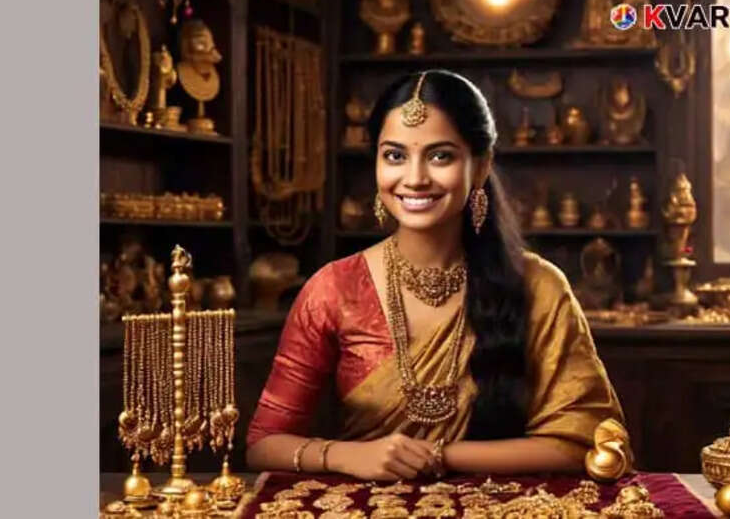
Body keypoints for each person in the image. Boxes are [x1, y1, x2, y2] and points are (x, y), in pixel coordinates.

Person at [246, 70, 625, 480]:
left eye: (440, 155)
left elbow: (586, 441)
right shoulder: (333, 290)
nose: (414, 178)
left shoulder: (538, 286)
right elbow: (265, 444)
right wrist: (347, 456)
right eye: (394, 156)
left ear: (480, 167)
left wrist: (439, 456)